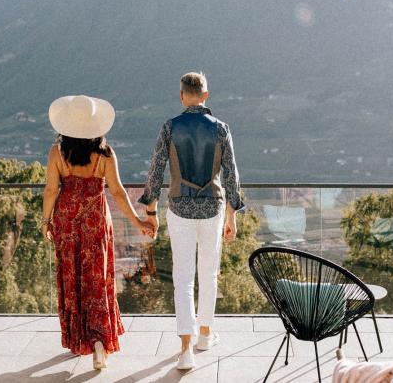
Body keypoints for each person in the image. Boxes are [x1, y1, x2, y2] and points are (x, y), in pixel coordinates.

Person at [139, 72, 244, 370]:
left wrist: (151, 211)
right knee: (209, 274)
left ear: (182, 95)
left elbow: (156, 171)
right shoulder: (221, 129)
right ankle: (205, 336)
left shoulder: (170, 127)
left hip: (180, 207)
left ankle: (186, 350)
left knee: (182, 279)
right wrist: (232, 215)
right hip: (212, 206)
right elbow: (231, 175)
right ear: (206, 95)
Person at [42, 94, 155, 370]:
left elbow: (50, 190)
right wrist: (139, 221)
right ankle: (99, 344)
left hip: (67, 221)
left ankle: (80, 337)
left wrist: (46, 220)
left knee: (73, 279)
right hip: (95, 221)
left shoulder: (57, 152)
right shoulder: (105, 154)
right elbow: (116, 192)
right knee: (96, 278)